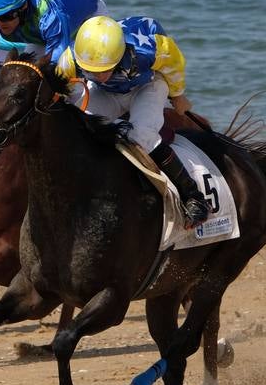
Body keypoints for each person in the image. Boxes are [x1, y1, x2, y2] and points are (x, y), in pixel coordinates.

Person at [57, 15, 209, 229]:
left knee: (140, 136)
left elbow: (173, 60)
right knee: (81, 130)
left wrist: (177, 95)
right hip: (106, 93)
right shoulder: (70, 58)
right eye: (92, 71)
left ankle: (193, 196)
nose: (98, 76)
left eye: (104, 70)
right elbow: (56, 89)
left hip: (147, 86)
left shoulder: (147, 51)